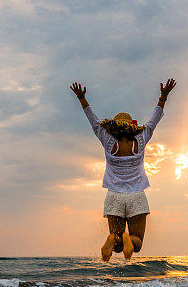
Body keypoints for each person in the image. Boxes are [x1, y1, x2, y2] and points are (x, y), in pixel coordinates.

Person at [70, 78, 176, 261]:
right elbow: (154, 120)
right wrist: (163, 96)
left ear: (114, 126)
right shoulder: (141, 139)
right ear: (132, 126)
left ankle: (114, 238)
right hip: (136, 195)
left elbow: (93, 120)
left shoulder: (107, 139)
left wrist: (82, 99)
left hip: (114, 196)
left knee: (117, 246)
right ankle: (128, 238)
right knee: (138, 243)